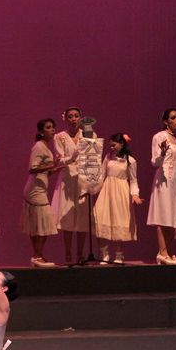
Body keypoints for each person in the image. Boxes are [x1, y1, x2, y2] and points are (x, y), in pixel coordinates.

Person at [147, 108, 176, 265]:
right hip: (164, 181)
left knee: (174, 217)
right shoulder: (159, 137)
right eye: (173, 118)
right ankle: (162, 253)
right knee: (163, 216)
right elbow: (154, 162)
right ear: (166, 121)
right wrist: (162, 154)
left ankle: (169, 253)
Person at [93, 134, 142, 263]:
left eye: (114, 145)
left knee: (119, 220)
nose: (112, 147)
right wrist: (91, 189)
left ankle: (119, 254)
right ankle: (104, 252)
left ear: (122, 144)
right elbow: (101, 175)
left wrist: (135, 194)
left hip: (121, 192)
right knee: (99, 216)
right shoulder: (108, 157)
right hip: (107, 191)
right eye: (110, 145)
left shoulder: (130, 160)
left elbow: (133, 180)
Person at [21, 118, 63, 267]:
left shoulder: (45, 146)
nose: (52, 130)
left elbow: (44, 171)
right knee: (44, 221)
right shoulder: (39, 146)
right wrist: (51, 165)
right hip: (35, 191)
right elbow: (32, 168)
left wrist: (54, 168)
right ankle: (37, 256)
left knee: (38, 223)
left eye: (53, 127)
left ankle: (37, 255)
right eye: (48, 127)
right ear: (41, 131)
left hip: (39, 188)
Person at [51, 107, 89, 265]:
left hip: (82, 179)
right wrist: (72, 157)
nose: (74, 119)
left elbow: (91, 157)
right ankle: (68, 253)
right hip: (67, 178)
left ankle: (80, 254)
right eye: (70, 116)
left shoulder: (86, 135)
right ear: (65, 119)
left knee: (82, 218)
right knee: (66, 217)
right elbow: (59, 160)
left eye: (76, 116)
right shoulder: (59, 137)